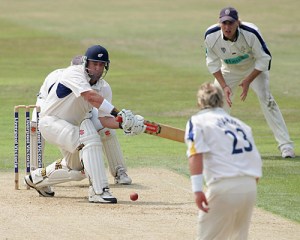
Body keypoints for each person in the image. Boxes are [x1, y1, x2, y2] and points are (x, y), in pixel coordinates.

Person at [25, 44, 146, 204]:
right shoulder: (73, 73)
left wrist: (124, 123)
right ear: (86, 63)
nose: (97, 68)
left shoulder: (104, 87)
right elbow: (90, 97)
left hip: (71, 128)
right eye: (94, 64)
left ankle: (37, 179)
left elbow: (104, 120)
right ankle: (98, 191)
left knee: (78, 171)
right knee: (90, 138)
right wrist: (118, 113)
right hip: (51, 123)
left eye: (101, 65)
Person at [204, 6, 295, 158]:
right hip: (228, 70)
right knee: (218, 101)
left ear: (237, 23)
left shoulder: (251, 33)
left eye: (231, 23)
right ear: (219, 23)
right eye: (224, 23)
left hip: (253, 68)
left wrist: (248, 80)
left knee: (267, 100)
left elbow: (264, 59)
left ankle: (286, 146)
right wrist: (225, 86)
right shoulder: (211, 35)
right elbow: (212, 63)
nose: (227, 27)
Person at [185, 82, 262, 240]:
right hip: (249, 186)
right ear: (221, 100)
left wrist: (197, 190)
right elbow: (254, 156)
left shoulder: (197, 121)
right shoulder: (241, 125)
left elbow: (195, 155)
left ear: (200, 102)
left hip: (224, 186)